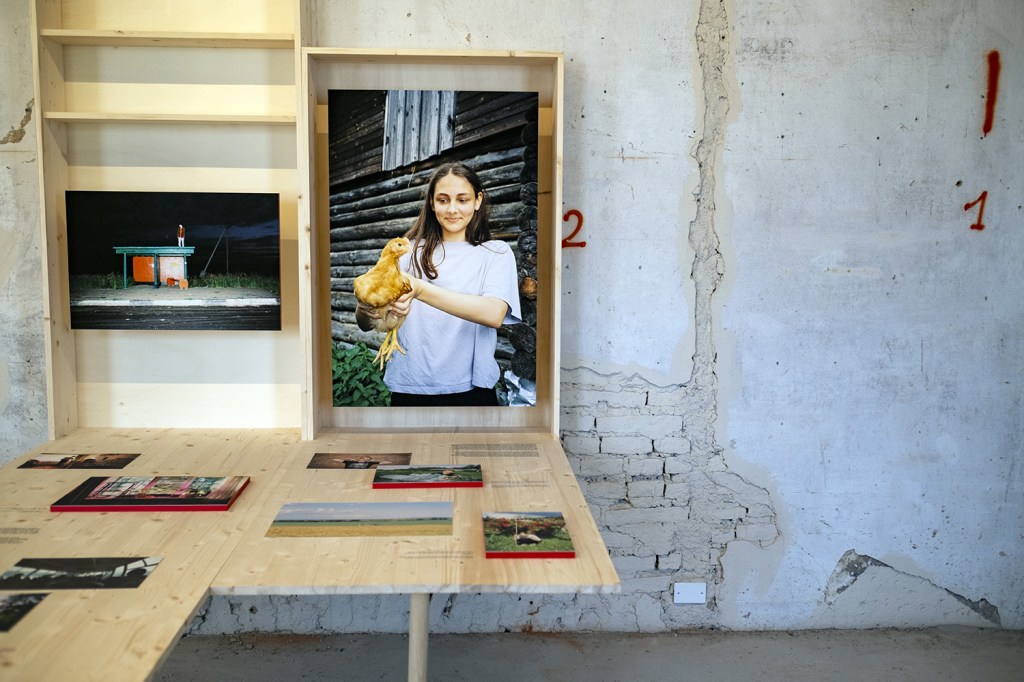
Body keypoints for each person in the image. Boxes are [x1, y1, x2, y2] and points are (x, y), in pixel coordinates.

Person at [356, 162, 521, 407]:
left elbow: (494, 314)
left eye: (462, 200)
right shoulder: (406, 252)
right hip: (411, 386)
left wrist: (420, 289)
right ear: (432, 203)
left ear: (478, 201)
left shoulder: (495, 253)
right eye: (443, 200)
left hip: (471, 391)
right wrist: (367, 308)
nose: (452, 209)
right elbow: (364, 324)